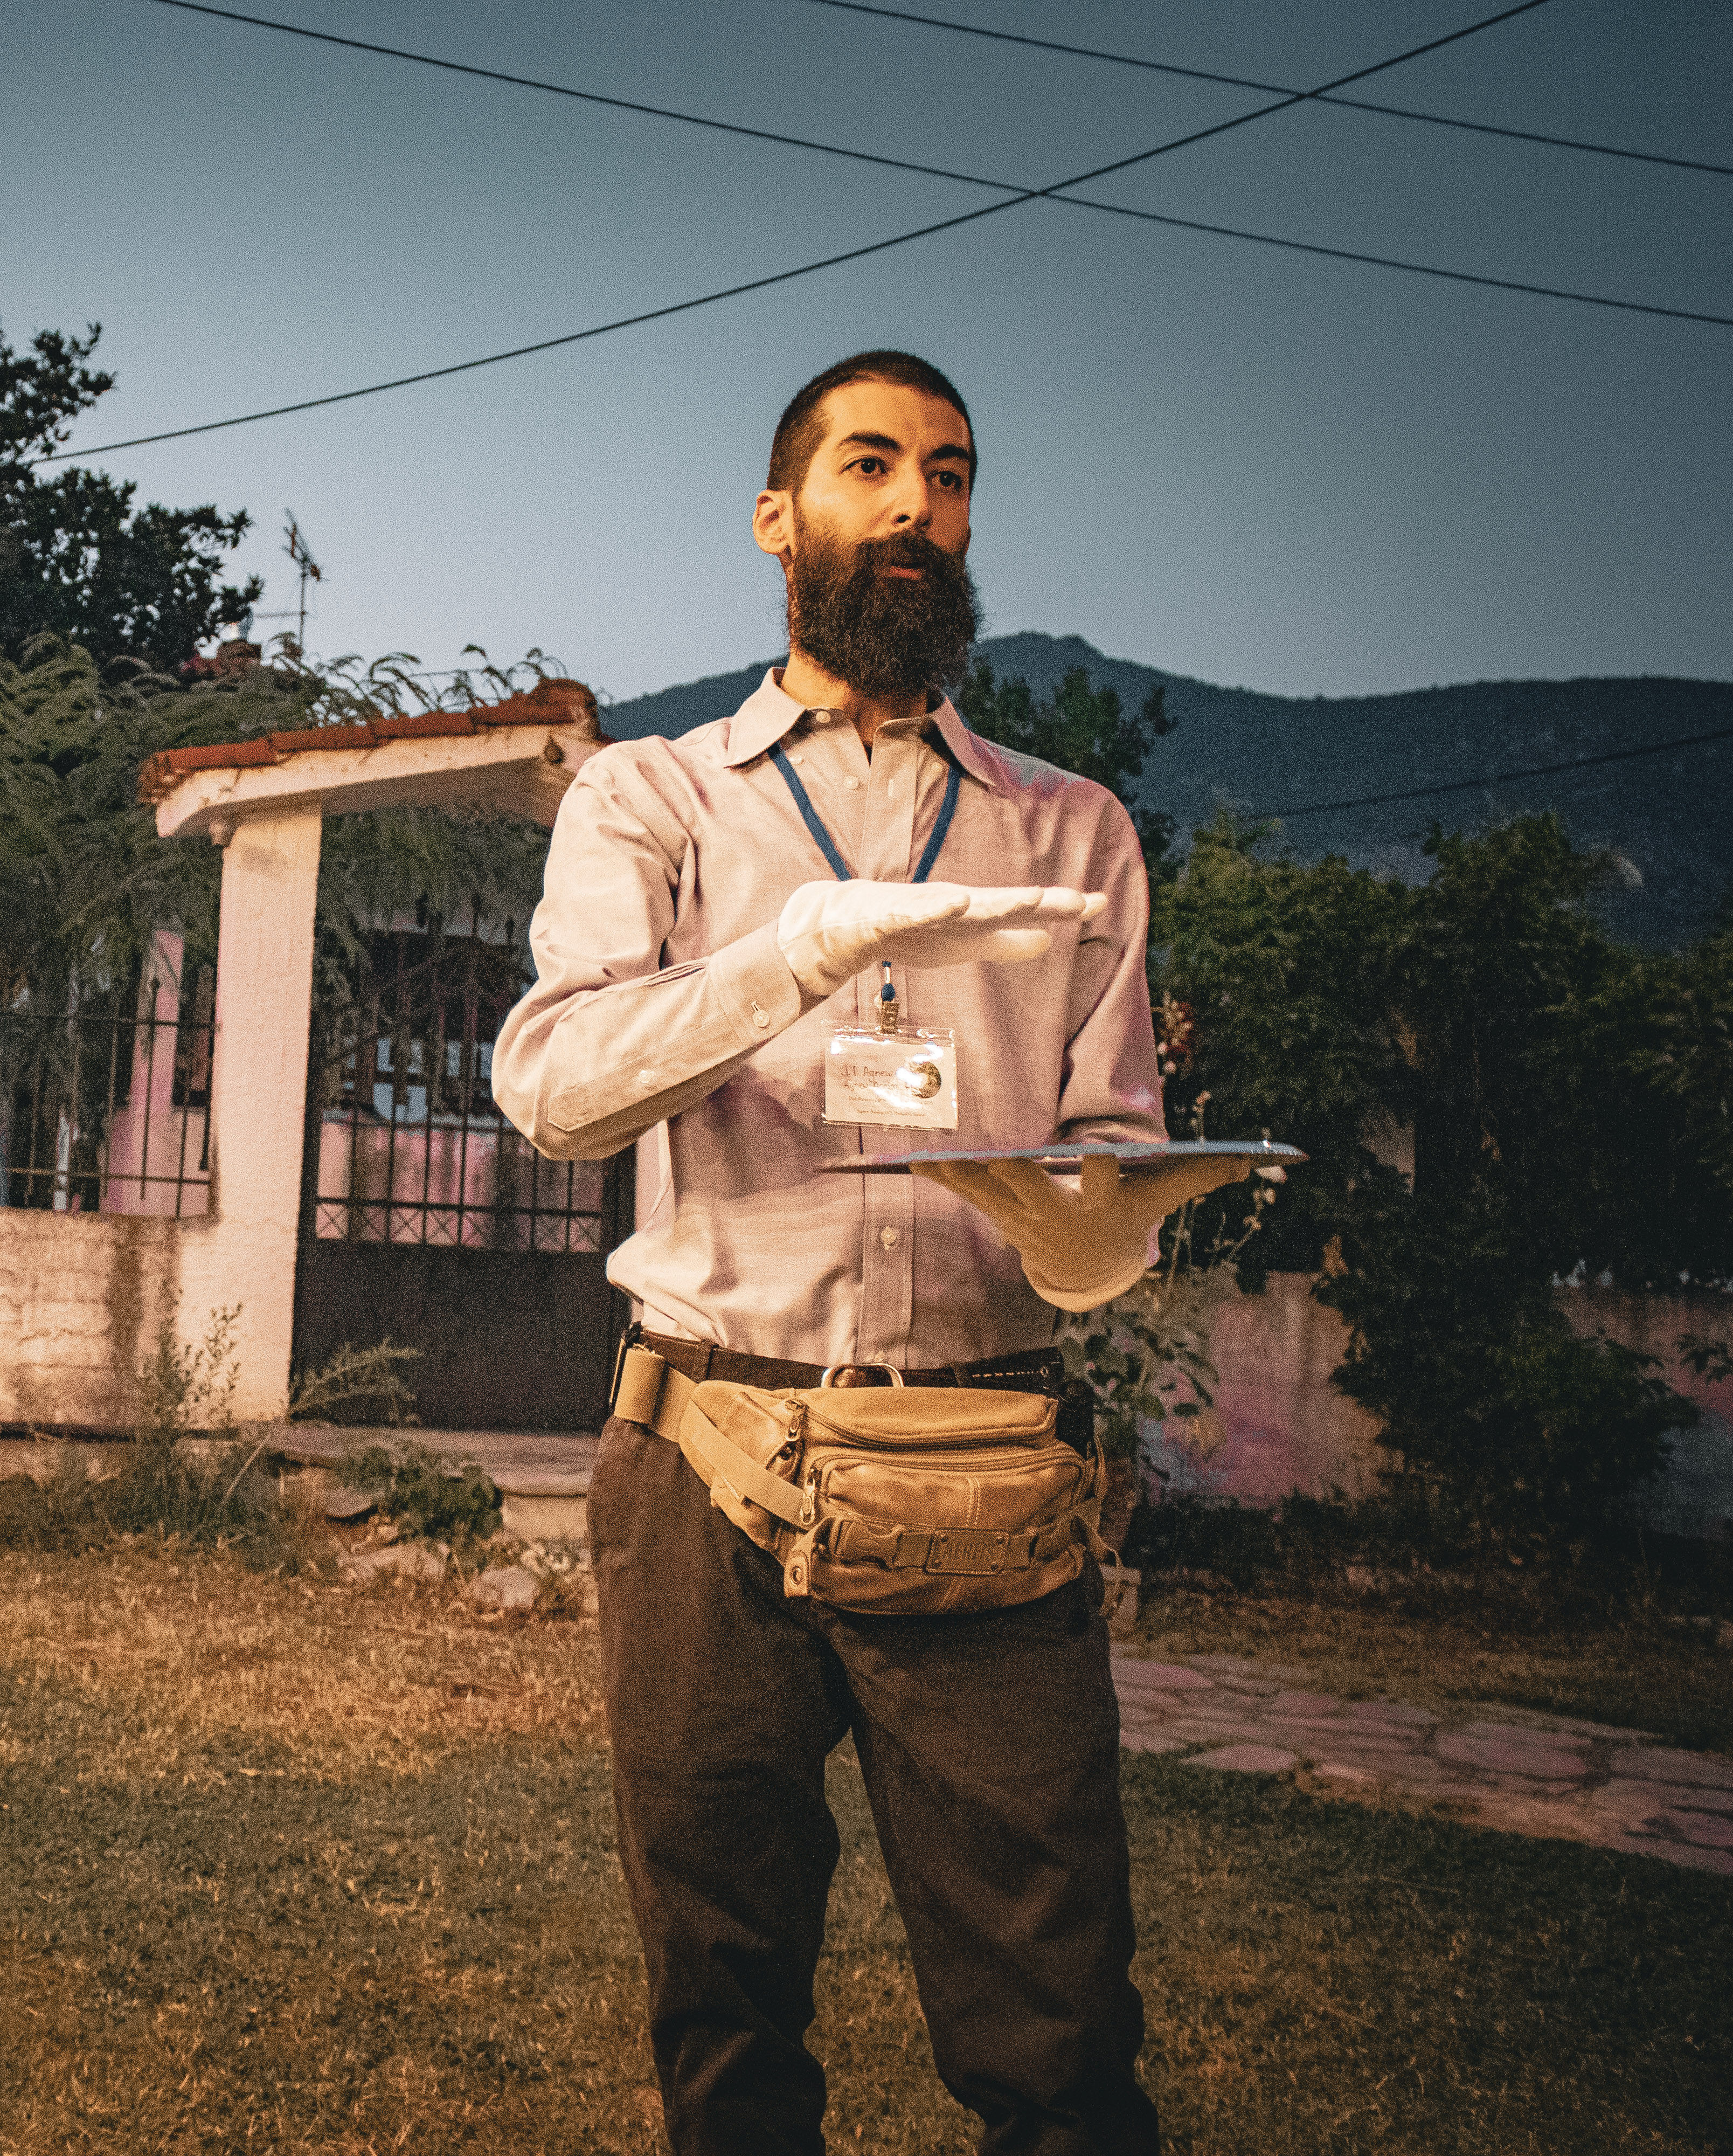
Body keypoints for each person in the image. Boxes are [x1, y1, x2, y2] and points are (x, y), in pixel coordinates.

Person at [491, 350, 1247, 2156]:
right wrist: (794, 956)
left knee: (1058, 2030)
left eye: (953, 474)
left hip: (985, 1459)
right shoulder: (652, 804)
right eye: (869, 464)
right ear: (781, 519)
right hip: (705, 1458)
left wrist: (1097, 1219)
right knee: (725, 2008)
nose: (917, 503)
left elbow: (1110, 1141)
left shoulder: (1072, 834)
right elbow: (553, 1087)